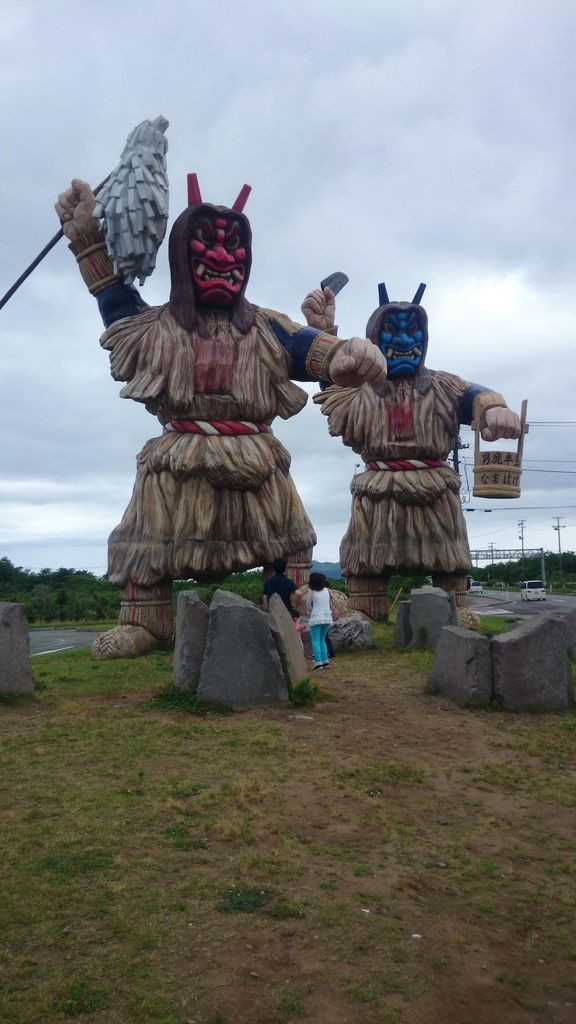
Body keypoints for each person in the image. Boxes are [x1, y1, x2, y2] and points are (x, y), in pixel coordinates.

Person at [54, 178, 387, 658]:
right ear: (180, 257)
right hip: (179, 455)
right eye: (206, 243)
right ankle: (146, 620)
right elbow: (116, 302)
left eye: (234, 246)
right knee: (150, 543)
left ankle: (299, 602)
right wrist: (88, 239)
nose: (222, 256)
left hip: (256, 455)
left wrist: (344, 352)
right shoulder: (158, 326)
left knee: (290, 538)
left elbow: (306, 348)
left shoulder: (267, 325)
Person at [302, 282, 521, 619]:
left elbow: (475, 395)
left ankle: (456, 615)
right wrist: (323, 333)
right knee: (366, 568)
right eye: (391, 331)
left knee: (450, 568)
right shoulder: (357, 391)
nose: (405, 341)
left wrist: (494, 408)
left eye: (413, 332)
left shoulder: (445, 386)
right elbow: (333, 381)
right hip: (378, 493)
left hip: (435, 491)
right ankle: (366, 617)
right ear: (374, 337)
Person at [306, 572, 333, 670]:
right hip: (327, 617)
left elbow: (308, 605)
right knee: (322, 639)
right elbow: (329, 603)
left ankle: (318, 663)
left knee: (315, 640)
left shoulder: (312, 591)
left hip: (316, 617)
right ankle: (325, 661)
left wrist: (311, 609)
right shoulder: (327, 590)